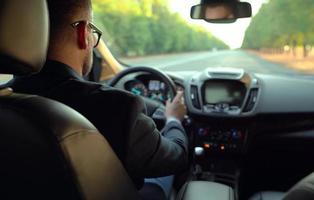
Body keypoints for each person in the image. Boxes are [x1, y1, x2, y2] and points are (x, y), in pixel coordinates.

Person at [7, 0, 188, 199]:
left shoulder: (7, 101)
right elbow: (176, 157)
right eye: (93, 31)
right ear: (84, 33)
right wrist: (173, 120)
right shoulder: (118, 107)